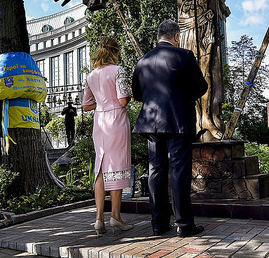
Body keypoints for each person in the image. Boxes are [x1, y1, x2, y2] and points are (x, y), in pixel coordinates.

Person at [132, 20, 208, 237]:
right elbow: (201, 86)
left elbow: (138, 94)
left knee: (155, 171)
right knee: (179, 170)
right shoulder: (184, 56)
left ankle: (158, 223)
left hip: (151, 122)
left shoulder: (143, 61)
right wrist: (181, 96)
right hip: (177, 120)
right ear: (176, 37)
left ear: (159, 36)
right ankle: (184, 224)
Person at [83, 37, 133, 236]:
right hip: (116, 121)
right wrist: (127, 94)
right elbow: (123, 100)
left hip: (100, 122)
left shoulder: (91, 75)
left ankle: (98, 219)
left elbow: (86, 105)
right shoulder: (118, 70)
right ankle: (115, 216)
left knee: (101, 167)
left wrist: (102, 103)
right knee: (117, 166)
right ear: (115, 52)